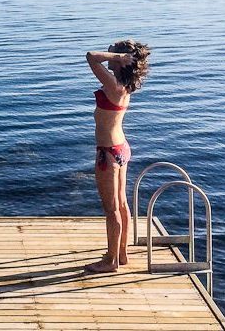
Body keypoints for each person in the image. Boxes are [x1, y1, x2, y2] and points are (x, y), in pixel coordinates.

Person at [84, 39, 150, 273]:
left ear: (122, 60)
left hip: (108, 153)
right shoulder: (124, 85)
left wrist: (117, 58)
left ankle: (110, 261)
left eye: (113, 51)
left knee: (111, 209)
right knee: (121, 204)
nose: (108, 52)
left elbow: (91, 56)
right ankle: (121, 254)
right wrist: (118, 58)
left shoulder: (113, 84)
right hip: (120, 148)